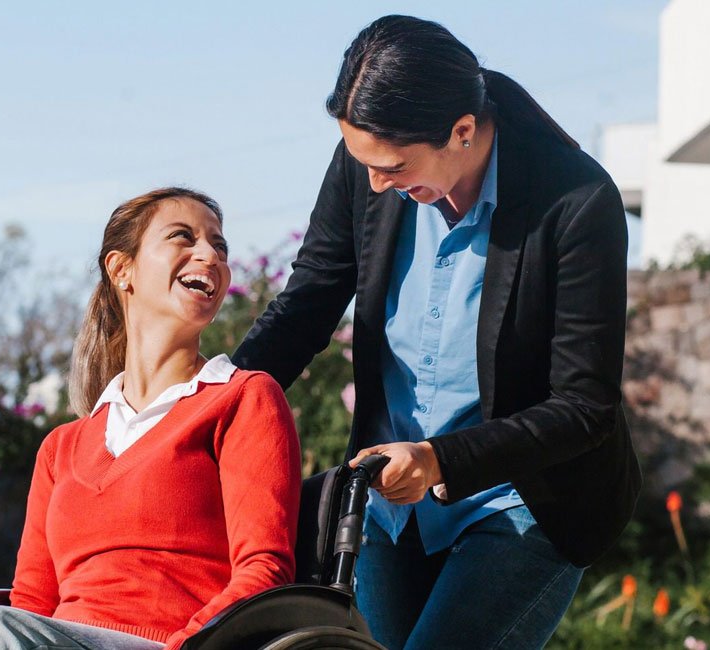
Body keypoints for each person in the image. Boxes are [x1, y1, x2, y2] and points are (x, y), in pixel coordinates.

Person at [232, 15, 641, 650]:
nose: (375, 183)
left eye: (393, 166)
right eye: (364, 163)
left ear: (462, 131)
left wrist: (439, 459)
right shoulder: (368, 166)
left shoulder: (577, 201)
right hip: (390, 506)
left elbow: (585, 407)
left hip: (524, 499)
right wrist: (213, 404)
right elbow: (308, 303)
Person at [0, 187, 301, 650]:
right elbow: (31, 603)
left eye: (219, 246)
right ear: (122, 269)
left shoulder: (243, 398)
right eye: (183, 237)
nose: (210, 255)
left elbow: (263, 572)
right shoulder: (61, 448)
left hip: (178, 644)